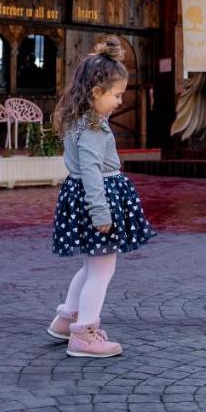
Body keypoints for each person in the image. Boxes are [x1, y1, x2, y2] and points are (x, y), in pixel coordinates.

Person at [47, 38, 157, 358]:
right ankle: (85, 334)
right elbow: (93, 172)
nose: (120, 101)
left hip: (81, 196)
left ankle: (66, 320)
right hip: (97, 200)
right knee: (102, 271)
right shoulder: (93, 128)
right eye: (117, 94)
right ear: (96, 93)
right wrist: (101, 213)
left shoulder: (78, 120)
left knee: (89, 266)